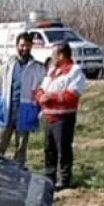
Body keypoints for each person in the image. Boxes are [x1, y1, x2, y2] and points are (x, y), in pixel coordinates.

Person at [36, 41, 88, 190]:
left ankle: (65, 179)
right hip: (48, 117)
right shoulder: (52, 71)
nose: (51, 57)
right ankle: (49, 177)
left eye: (53, 54)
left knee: (63, 149)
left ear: (61, 55)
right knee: (49, 148)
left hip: (63, 118)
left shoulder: (74, 71)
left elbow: (73, 94)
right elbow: (41, 88)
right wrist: (40, 97)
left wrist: (51, 97)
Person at [0, 32, 45, 167]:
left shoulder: (38, 68)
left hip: (26, 110)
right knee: (0, 143)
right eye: (22, 45)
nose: (25, 49)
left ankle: (18, 170)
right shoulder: (7, 65)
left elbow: (42, 87)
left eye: (28, 46)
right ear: (17, 46)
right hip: (7, 109)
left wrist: (37, 108)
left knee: (21, 146)